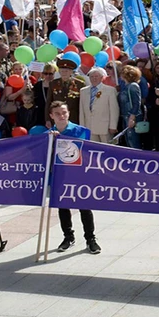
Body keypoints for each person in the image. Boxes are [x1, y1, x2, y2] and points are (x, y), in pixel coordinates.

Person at [50, 101, 101, 255]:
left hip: (79, 176)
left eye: (64, 112)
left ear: (69, 113)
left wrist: (60, 140)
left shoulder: (81, 131)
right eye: (57, 113)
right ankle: (68, 237)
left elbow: (83, 150)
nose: (61, 116)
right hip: (60, 176)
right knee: (63, 207)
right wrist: (50, 141)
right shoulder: (47, 135)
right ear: (51, 116)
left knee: (84, 207)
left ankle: (91, 239)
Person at [79, 68, 119, 143]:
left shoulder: (110, 90)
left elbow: (114, 110)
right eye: (92, 77)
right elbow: (82, 110)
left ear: (101, 78)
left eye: (96, 76)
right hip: (89, 127)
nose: (94, 78)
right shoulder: (83, 91)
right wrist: (82, 127)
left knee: (107, 149)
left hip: (105, 128)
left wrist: (113, 126)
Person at [118, 65, 144, 150]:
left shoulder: (133, 86)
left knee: (133, 141)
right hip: (125, 115)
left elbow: (137, 103)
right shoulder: (126, 86)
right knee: (129, 140)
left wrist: (132, 118)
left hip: (130, 116)